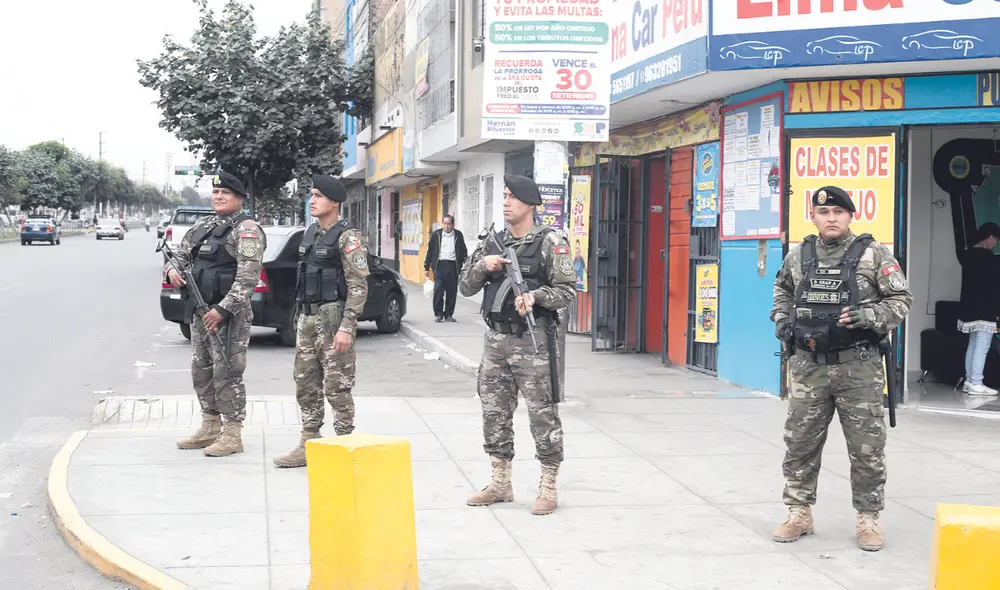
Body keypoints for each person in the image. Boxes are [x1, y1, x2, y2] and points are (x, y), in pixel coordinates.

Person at [770, 185, 912, 551]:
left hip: (858, 368)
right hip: (807, 366)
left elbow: (901, 299)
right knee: (800, 443)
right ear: (813, 217)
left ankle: (868, 519)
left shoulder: (874, 254)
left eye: (838, 212)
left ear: (850, 216)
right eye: (824, 213)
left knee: (866, 448)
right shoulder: (797, 256)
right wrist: (782, 319)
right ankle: (798, 513)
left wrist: (872, 316)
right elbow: (782, 290)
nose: (831, 218)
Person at [459, 174, 576, 516]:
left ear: (530, 205)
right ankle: (500, 482)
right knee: (493, 412)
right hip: (495, 340)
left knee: (542, 414)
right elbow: (465, 288)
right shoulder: (492, 242)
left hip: (533, 340)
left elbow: (568, 292)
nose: (506, 202)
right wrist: (484, 264)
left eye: (513, 197)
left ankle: (548, 485)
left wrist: (536, 296)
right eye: (505, 196)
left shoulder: (551, 242)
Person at [273, 174, 370, 468]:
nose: (312, 200)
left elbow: (358, 286)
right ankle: (308, 443)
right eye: (311, 195)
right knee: (306, 383)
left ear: (335, 202)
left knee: (337, 387)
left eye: (318, 195)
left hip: (333, 322)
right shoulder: (310, 234)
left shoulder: (348, 237)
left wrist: (347, 327)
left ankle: (345, 445)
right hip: (307, 318)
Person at [169, 171, 266, 457]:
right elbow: (180, 256)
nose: (219, 196)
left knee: (228, 372)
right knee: (201, 371)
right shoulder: (202, 226)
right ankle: (210, 425)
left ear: (239, 198)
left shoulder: (246, 229)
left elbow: (248, 277)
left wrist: (223, 309)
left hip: (228, 315)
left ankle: (232, 434)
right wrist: (173, 269)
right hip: (199, 312)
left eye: (225, 193)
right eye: (215, 192)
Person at [957, 222, 1000, 395]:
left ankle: (969, 380)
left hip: (969, 307)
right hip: (985, 308)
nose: (996, 244)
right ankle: (976, 381)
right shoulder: (988, 258)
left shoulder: (967, 255)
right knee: (982, 345)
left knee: (973, 343)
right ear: (990, 238)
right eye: (996, 240)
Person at [424, 215, 468, 322]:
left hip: (453, 266)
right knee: (438, 290)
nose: (446, 226)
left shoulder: (458, 235)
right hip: (440, 265)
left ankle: (448, 314)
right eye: (444, 223)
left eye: (448, 223)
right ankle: (438, 313)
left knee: (451, 292)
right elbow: (430, 251)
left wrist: (466, 265)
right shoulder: (436, 235)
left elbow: (463, 251)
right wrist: (426, 266)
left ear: (453, 225)